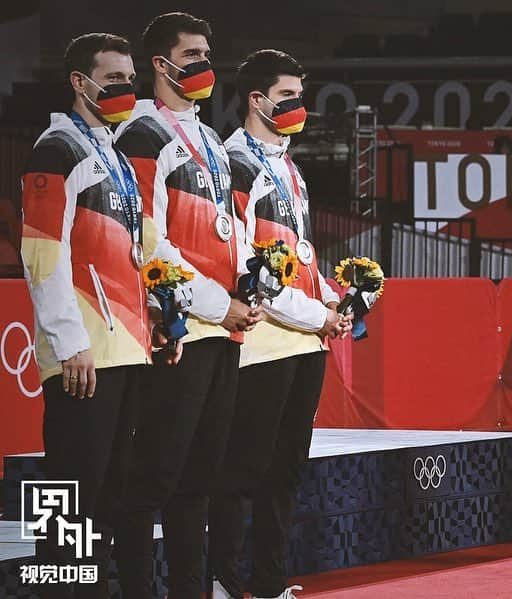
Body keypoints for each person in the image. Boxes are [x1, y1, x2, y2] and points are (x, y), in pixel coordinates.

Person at [19, 32, 178, 599]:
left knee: (108, 495)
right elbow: (42, 252)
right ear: (78, 83)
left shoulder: (107, 150)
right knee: (67, 492)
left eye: (129, 80)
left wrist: (157, 318)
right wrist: (69, 343)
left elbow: (131, 254)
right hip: (84, 351)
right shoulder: (55, 150)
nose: (124, 89)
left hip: (126, 345)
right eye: (112, 80)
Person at [113, 12, 260, 598]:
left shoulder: (212, 143)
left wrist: (248, 287)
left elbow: (229, 232)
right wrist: (213, 302)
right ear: (160, 63)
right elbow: (150, 241)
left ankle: (190, 590)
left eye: (207, 53)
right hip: (176, 332)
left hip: (223, 331)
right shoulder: (141, 135)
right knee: (156, 476)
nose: (204, 65)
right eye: (192, 55)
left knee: (200, 478)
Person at [209, 49, 352, 599]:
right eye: (287, 96)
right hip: (259, 340)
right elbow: (246, 265)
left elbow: (303, 253)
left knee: (285, 472)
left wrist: (333, 301)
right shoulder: (233, 164)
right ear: (256, 100)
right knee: (242, 470)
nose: (299, 106)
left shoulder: (288, 165)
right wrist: (319, 314)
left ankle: (267, 585)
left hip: (304, 341)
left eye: (300, 95)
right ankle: (225, 581)